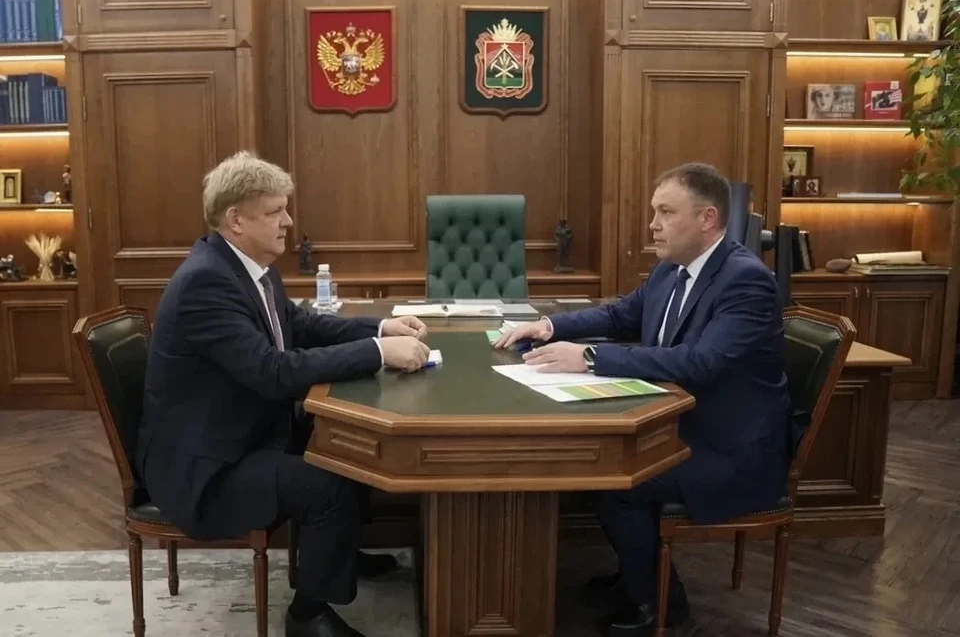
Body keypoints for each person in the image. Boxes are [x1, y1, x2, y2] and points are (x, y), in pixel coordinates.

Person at [135, 150, 432, 637]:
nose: (288, 222)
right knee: (329, 486)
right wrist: (379, 352)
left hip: (244, 434)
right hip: (206, 469)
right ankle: (307, 617)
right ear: (236, 220)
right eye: (275, 211)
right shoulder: (205, 283)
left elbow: (300, 325)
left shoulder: (250, 266)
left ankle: (335, 554)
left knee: (349, 444)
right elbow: (270, 372)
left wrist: (380, 327)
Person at [494, 162, 790, 636]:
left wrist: (590, 358)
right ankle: (637, 575)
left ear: (708, 219)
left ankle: (663, 607)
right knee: (605, 468)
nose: (652, 224)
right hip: (680, 427)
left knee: (617, 482)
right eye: (654, 212)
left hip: (728, 449)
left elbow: (700, 363)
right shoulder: (671, 268)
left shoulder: (745, 281)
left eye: (666, 212)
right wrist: (547, 326)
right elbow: (620, 315)